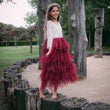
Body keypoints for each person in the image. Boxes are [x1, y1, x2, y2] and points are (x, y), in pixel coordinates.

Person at [39, 3, 79, 99]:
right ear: (49, 12)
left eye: (57, 10)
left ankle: (55, 92)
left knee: (58, 71)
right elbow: (50, 36)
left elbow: (59, 34)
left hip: (60, 47)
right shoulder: (49, 23)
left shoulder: (58, 23)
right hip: (53, 47)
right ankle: (41, 90)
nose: (56, 12)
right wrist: (49, 49)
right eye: (53, 11)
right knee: (48, 71)